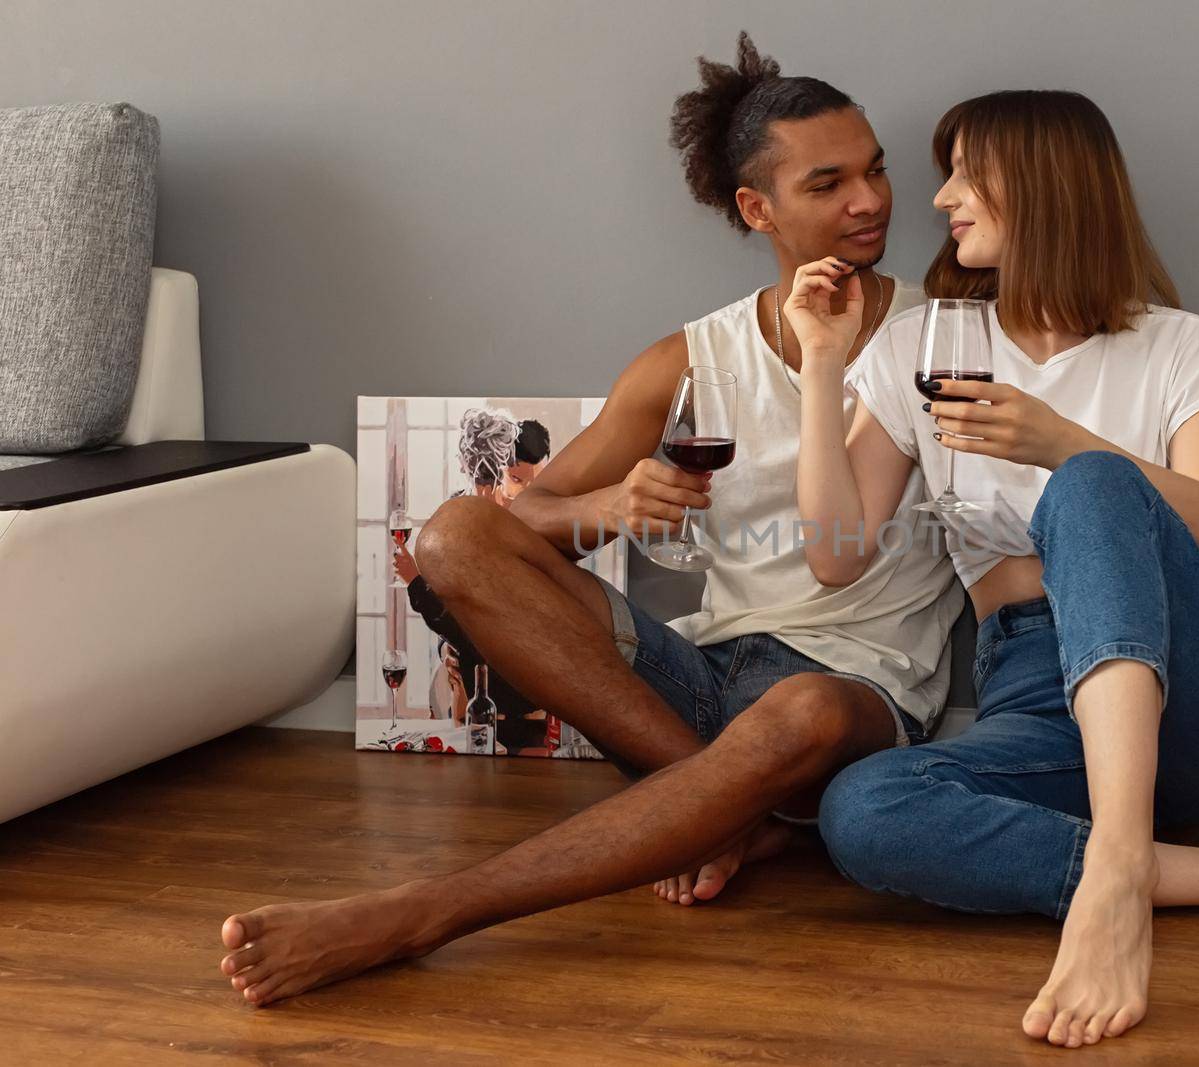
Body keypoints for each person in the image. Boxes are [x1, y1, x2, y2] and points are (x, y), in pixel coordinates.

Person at [216, 32, 962, 1007]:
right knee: (452, 537)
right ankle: (721, 807)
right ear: (756, 207)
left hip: (854, 701)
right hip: (706, 684)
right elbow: (521, 521)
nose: (869, 201)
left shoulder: (939, 330)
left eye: (875, 170)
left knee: (804, 708)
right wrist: (608, 504)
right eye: (828, 183)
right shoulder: (687, 359)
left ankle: (420, 913)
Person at [787, 90, 1199, 1049]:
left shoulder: (1179, 343)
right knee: (863, 810)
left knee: (1094, 484)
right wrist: (822, 362)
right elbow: (833, 553)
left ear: (1048, 184)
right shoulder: (920, 344)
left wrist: (1061, 441)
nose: (942, 199)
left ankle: (1110, 886)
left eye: (969, 172)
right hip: (1036, 697)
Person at [394, 412, 555, 752]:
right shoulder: (459, 518)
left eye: (535, 483)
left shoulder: (542, 524)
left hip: (526, 688)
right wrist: (446, 648)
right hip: (473, 683)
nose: (525, 493)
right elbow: (450, 604)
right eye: (516, 479)